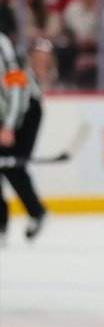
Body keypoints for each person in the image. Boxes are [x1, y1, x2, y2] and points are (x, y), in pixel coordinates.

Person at [0, 30, 48, 246]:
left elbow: (17, 86)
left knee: (12, 165)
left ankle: (36, 212)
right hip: (6, 114)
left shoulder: (2, 44)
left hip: (26, 109)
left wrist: (9, 126)